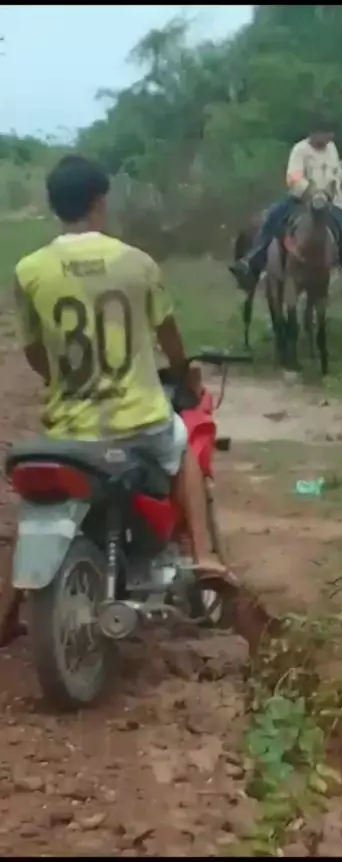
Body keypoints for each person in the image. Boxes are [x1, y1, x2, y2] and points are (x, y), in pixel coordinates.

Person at [0, 154, 232, 647]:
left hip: (71, 426)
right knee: (183, 449)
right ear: (100, 202)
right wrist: (185, 373)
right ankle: (206, 556)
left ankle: (11, 607)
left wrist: (63, 381)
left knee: (41, 502)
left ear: (54, 205)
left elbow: (36, 352)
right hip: (139, 421)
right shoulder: (137, 262)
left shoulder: (29, 270)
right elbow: (169, 337)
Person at [229, 119, 342, 310]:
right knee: (273, 216)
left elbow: (336, 174)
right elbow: (294, 176)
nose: (327, 137)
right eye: (323, 133)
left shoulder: (332, 149)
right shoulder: (300, 150)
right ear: (313, 133)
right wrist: (311, 191)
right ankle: (251, 260)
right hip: (303, 199)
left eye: (330, 133)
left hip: (330, 201)